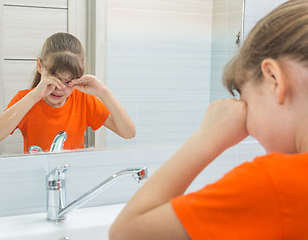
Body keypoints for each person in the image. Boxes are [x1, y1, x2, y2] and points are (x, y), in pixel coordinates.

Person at [109, 1, 308, 239]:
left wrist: (206, 138)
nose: (249, 128)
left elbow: (126, 233)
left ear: (273, 79)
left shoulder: (276, 184)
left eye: (247, 103)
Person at [0, 32, 136, 153]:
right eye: (54, 80)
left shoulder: (83, 100)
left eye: (68, 82)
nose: (60, 89)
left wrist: (103, 92)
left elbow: (128, 133)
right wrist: (34, 96)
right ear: (39, 66)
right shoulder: (26, 99)